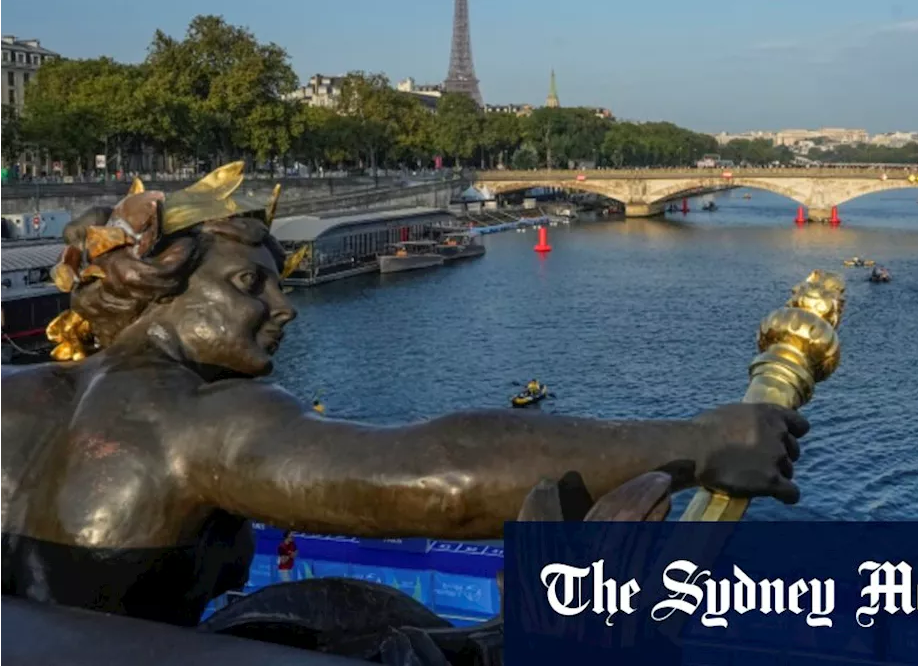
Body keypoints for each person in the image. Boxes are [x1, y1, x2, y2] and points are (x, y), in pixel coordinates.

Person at [0, 165, 808, 628]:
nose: (282, 308)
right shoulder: (194, 418)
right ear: (162, 290)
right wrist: (702, 443)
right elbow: (437, 473)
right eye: (251, 284)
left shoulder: (22, 395)